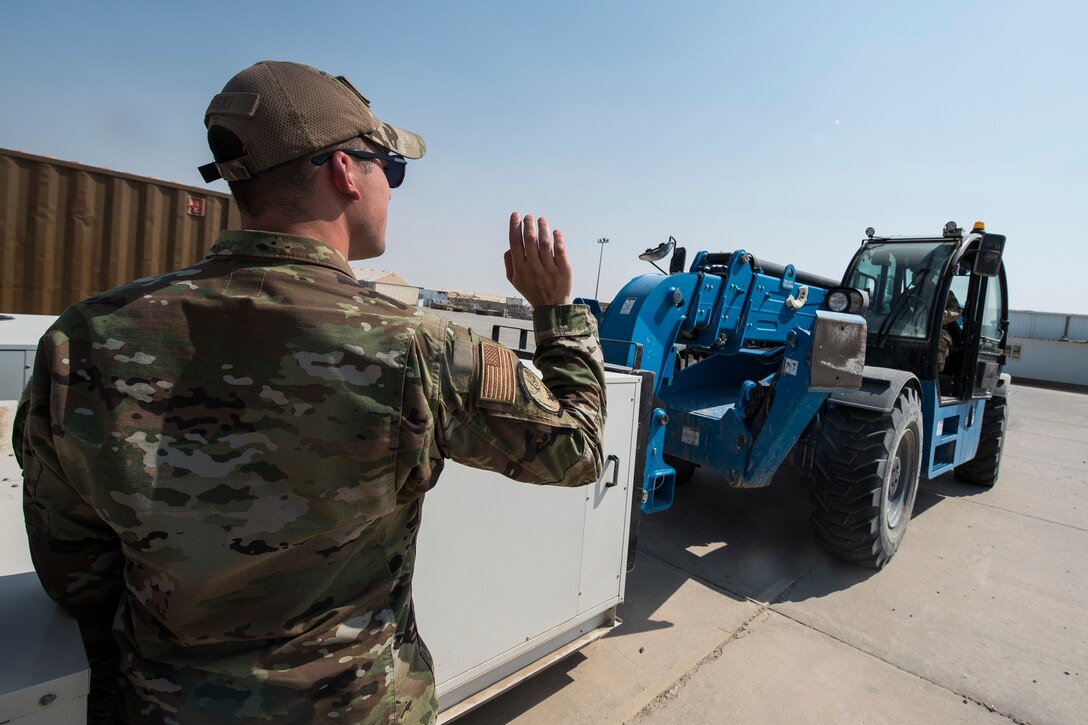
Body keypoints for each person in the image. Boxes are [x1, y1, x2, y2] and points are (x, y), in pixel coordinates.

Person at [15, 60, 606, 724]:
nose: (392, 190)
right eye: (391, 169)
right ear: (345, 172)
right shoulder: (421, 349)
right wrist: (557, 312)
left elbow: (74, 575)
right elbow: (578, 449)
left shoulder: (81, 341)